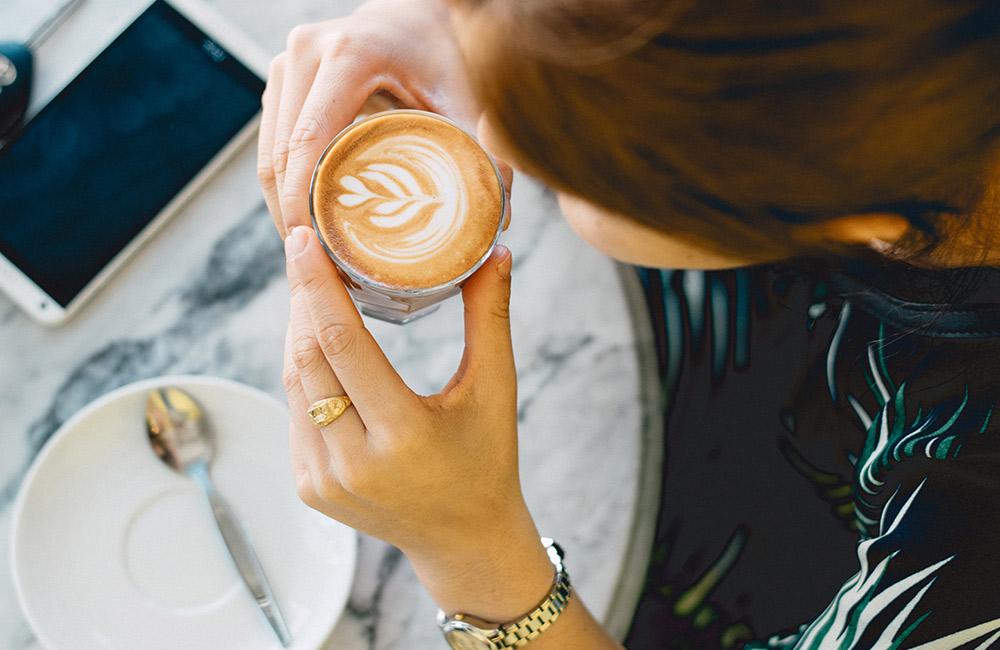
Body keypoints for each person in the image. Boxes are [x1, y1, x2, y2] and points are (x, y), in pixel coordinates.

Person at [258, 0, 1000, 648]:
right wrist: (498, 30)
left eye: (561, 152)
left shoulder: (968, 529)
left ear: (834, 217)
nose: (493, 138)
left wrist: (470, 548)